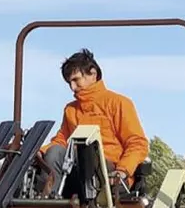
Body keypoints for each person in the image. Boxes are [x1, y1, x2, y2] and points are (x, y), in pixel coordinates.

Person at [37, 48, 149, 196]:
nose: (72, 87)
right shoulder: (71, 109)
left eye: (76, 80)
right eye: (69, 82)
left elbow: (137, 143)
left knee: (87, 153)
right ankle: (48, 204)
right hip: (76, 171)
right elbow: (62, 140)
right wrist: (40, 152)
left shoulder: (119, 103)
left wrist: (122, 170)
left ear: (92, 74)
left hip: (110, 173)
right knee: (54, 152)